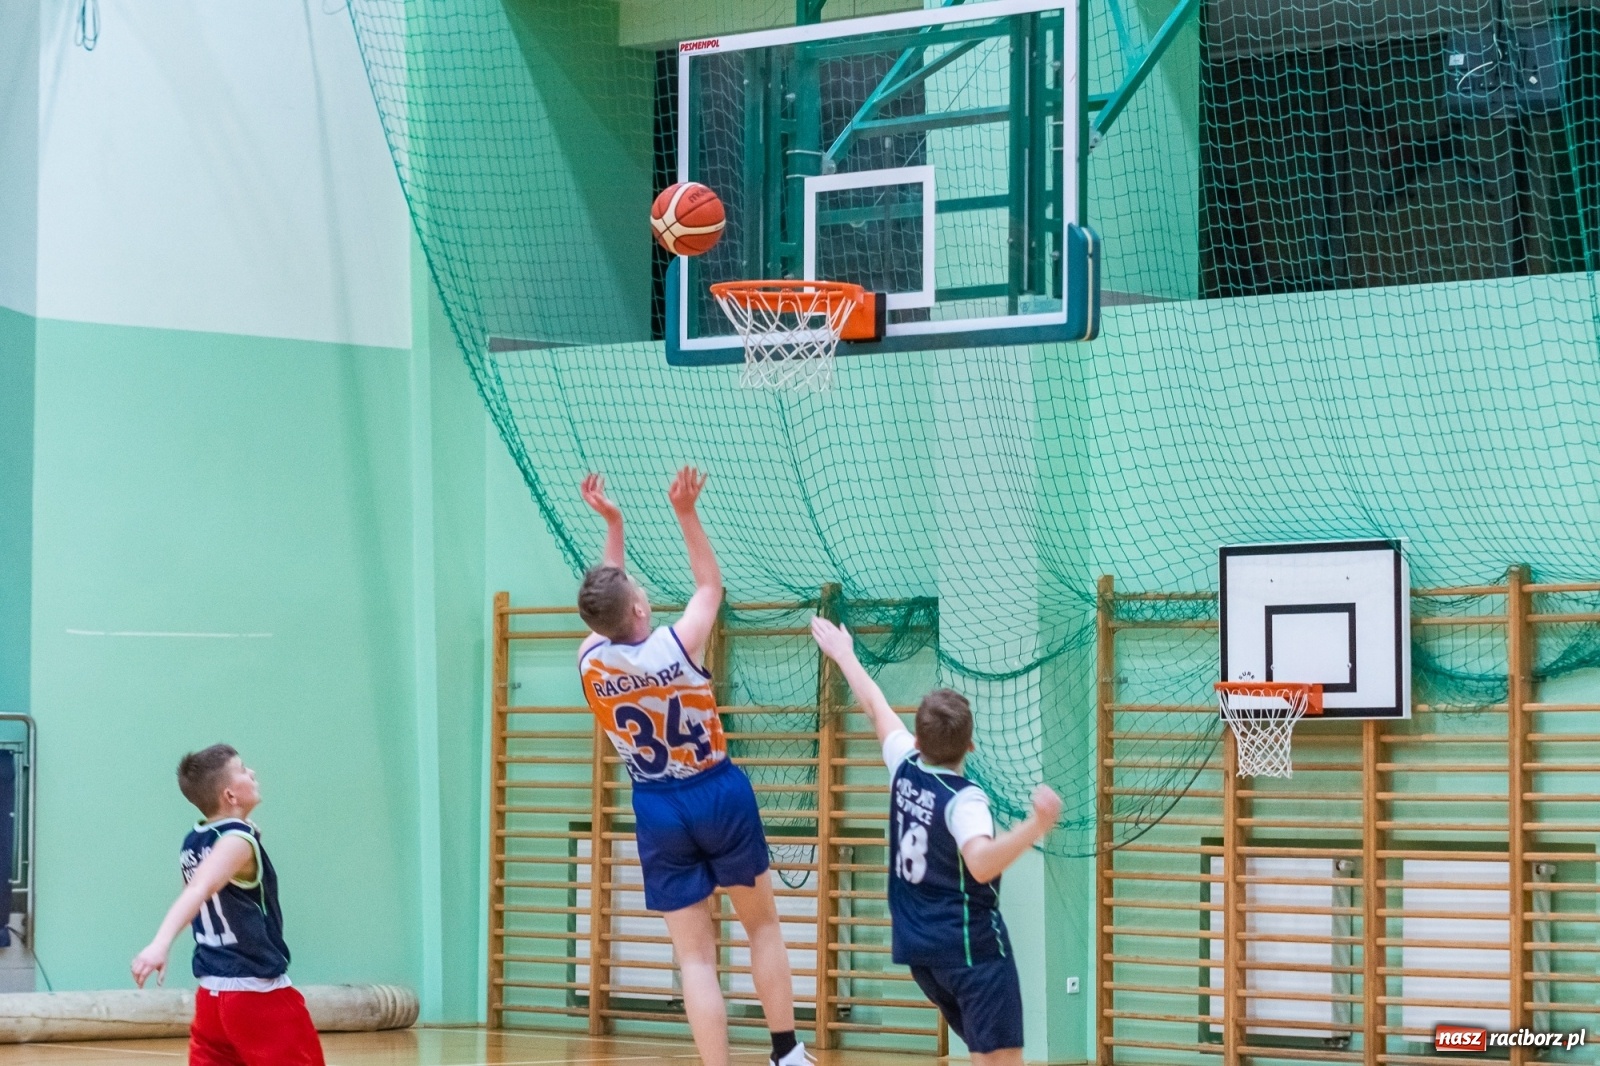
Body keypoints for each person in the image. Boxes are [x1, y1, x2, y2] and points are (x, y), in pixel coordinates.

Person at [577, 468, 807, 1066]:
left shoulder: (590, 661)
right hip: (716, 790)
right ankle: (786, 1054)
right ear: (639, 605)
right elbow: (709, 585)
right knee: (761, 927)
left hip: (656, 805)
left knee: (696, 959)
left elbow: (605, 605)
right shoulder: (678, 643)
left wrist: (615, 524)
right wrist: (685, 513)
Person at [810, 617, 1062, 1066]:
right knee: (1002, 1059)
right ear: (971, 746)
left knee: (985, 1053)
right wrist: (1035, 826)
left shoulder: (904, 763)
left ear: (919, 737)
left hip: (923, 955)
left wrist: (845, 654)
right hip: (971, 951)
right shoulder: (964, 801)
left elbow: (873, 705)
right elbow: (982, 863)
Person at [131, 745, 325, 1066]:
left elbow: (194, 894)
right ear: (230, 795)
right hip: (256, 995)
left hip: (211, 998)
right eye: (243, 770)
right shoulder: (237, 841)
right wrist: (159, 945)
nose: (252, 773)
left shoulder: (195, 841)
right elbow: (199, 890)